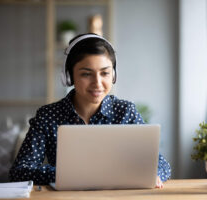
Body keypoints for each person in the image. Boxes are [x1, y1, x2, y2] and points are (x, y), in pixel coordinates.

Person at [9, 33, 171, 188]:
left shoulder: (125, 111)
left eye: (105, 73)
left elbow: (161, 165)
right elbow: (20, 171)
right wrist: (72, 175)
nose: (97, 83)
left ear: (113, 75)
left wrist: (153, 174)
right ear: (69, 76)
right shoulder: (48, 115)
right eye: (86, 74)